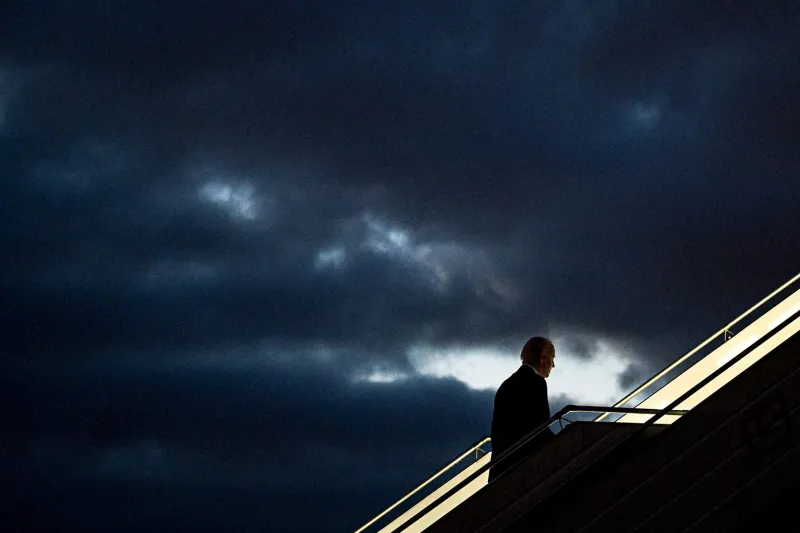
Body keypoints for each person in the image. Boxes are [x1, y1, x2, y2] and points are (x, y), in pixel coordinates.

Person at [489, 336, 556, 481]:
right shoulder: (537, 383)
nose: (553, 365)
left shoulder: (506, 385)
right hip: (524, 465)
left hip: (501, 467)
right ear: (542, 357)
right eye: (552, 358)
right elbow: (541, 426)